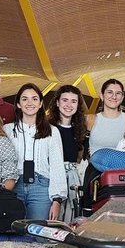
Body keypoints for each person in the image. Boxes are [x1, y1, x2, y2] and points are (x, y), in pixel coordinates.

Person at [5, 84, 67, 220]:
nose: (29, 103)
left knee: (38, 233)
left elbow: (57, 165)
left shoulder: (51, 131)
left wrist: (57, 200)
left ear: (40, 104)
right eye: (24, 99)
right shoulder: (7, 130)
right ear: (18, 104)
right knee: (13, 232)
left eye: (34, 99)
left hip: (41, 187)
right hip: (14, 184)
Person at [47, 85, 88, 221]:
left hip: (72, 180)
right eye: (65, 100)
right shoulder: (46, 129)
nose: (69, 105)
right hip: (51, 179)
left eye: (73, 101)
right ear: (57, 103)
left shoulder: (80, 130)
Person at [87, 79, 125, 156]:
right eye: (110, 92)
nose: (114, 96)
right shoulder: (90, 119)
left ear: (122, 97)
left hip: (120, 167)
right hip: (95, 166)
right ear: (102, 95)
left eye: (118, 93)